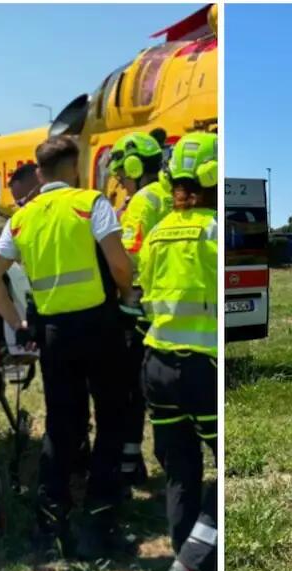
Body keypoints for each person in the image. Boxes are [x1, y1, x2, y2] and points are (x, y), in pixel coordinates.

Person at [0, 135, 135, 560]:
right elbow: (118, 263)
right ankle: (99, 523)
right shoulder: (90, 203)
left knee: (62, 425)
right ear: (73, 166)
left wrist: (17, 322)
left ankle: (49, 524)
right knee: (111, 420)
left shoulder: (23, 217)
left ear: (40, 172)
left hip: (53, 334)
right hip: (100, 327)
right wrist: (127, 292)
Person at [138, 131, 219, 571]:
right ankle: (195, 564)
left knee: (180, 471)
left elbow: (145, 293)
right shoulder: (213, 231)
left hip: (156, 366)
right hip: (199, 369)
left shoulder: (157, 232)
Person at [112, 130, 173, 486]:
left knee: (130, 391)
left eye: (122, 174)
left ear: (135, 167)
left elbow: (127, 257)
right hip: (175, 310)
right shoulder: (173, 195)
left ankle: (129, 463)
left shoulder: (143, 202)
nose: (120, 182)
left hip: (140, 312)